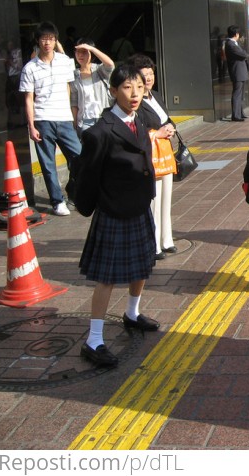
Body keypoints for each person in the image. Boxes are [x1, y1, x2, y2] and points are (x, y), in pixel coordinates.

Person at [74, 63, 159, 367]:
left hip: (139, 204)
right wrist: (92, 206)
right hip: (114, 209)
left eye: (138, 86)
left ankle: (132, 314)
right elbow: (86, 175)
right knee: (107, 277)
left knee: (142, 265)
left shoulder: (144, 116)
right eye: (126, 87)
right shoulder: (100, 131)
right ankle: (93, 340)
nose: (134, 93)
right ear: (112, 91)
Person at [19, 21, 82, 216]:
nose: (48, 42)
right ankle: (57, 201)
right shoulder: (30, 68)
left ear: (56, 40)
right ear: (37, 41)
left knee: (80, 158)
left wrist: (72, 115)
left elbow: (70, 88)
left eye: (51, 39)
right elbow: (29, 99)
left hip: (63, 118)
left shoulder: (64, 61)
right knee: (48, 164)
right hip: (43, 119)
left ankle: (75, 193)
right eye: (44, 38)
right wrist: (31, 125)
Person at [129, 53, 177, 261]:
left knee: (166, 197)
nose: (148, 78)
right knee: (154, 200)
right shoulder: (135, 101)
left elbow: (167, 119)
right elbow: (135, 128)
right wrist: (156, 134)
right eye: (144, 74)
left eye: (151, 73)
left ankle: (166, 239)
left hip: (165, 152)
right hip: (150, 154)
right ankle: (153, 243)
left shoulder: (155, 95)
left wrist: (170, 128)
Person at [70, 38, 114, 135]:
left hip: (104, 118)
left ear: (91, 53)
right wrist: (74, 124)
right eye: (78, 52)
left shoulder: (99, 70)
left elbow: (110, 64)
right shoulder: (74, 75)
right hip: (85, 121)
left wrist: (92, 48)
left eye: (84, 52)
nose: (80, 55)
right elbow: (74, 103)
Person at [224, 25, 249, 121]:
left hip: (240, 72)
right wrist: (244, 54)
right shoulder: (230, 44)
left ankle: (240, 113)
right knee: (237, 93)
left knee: (241, 94)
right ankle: (235, 115)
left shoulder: (234, 43)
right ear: (236, 34)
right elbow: (244, 54)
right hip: (237, 72)